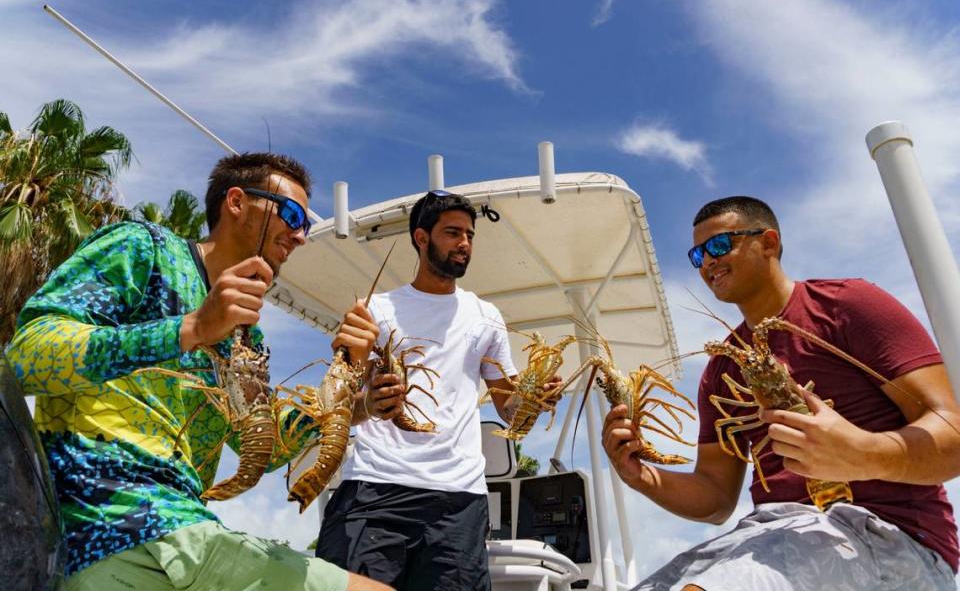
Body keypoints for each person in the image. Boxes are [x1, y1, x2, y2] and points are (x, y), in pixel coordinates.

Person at [6, 152, 387, 591]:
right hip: (113, 522)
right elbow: (28, 354)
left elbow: (263, 448)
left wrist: (357, 402)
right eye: (292, 214)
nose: (301, 235)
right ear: (238, 202)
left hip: (175, 531)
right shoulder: (143, 248)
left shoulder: (246, 335)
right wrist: (189, 329)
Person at [603, 195, 960, 590]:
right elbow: (716, 497)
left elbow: (953, 433)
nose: (707, 262)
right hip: (774, 531)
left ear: (769, 242)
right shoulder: (722, 367)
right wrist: (642, 476)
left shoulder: (847, 305)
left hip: (892, 535)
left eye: (719, 245)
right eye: (696, 254)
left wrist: (863, 454)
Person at [316, 190, 561, 590]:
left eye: (469, 234)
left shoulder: (486, 317)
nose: (464, 243)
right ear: (421, 237)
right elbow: (336, 407)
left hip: (457, 498)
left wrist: (535, 401)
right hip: (376, 487)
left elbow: (510, 412)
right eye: (452, 233)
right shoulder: (373, 310)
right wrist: (372, 403)